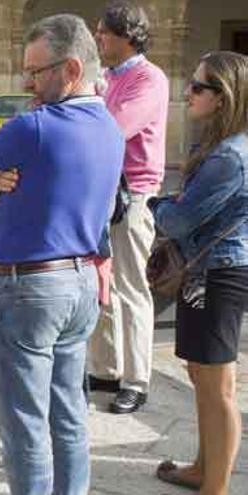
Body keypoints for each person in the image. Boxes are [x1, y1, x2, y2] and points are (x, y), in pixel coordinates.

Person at [0, 15, 123, 493]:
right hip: (80, 284)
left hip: (29, 288)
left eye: (36, 70)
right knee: (68, 415)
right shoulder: (111, 128)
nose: (27, 80)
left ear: (71, 68)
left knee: (24, 427)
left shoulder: (32, 127)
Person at [150, 50, 248, 495]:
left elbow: (178, 220)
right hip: (207, 269)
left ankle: (216, 487)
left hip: (219, 271)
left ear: (224, 96)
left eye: (197, 86)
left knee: (216, 384)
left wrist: (155, 202)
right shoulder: (217, 146)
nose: (187, 92)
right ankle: (202, 468)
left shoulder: (230, 156)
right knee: (201, 374)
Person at [88, 0, 170, 414]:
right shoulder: (105, 77)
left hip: (132, 193)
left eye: (104, 31)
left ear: (127, 36)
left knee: (131, 288)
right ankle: (105, 368)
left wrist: (90, 105)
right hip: (101, 191)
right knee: (101, 281)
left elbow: (112, 128)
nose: (98, 37)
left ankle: (136, 379)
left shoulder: (148, 78)